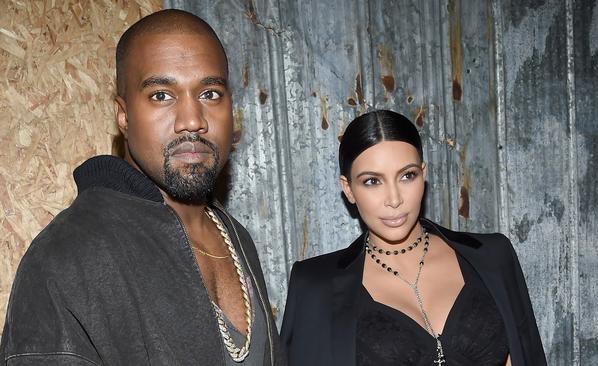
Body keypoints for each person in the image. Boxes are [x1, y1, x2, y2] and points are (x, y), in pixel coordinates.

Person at [0, 9, 285, 366]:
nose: (193, 120)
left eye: (210, 93)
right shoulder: (66, 257)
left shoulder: (236, 236)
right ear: (123, 115)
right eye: (162, 96)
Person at [281, 109, 546, 366]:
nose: (394, 199)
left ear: (423, 174)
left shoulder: (492, 255)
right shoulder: (315, 286)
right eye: (373, 181)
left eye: (407, 176)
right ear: (348, 189)